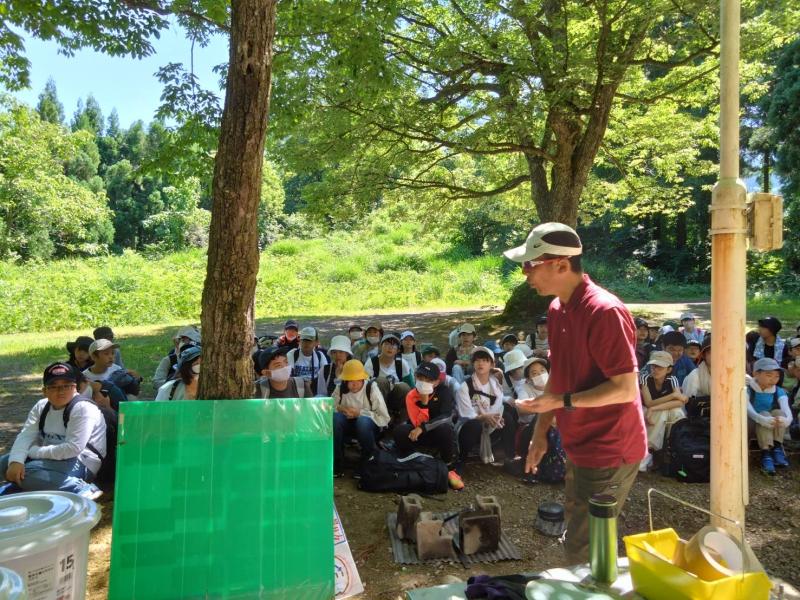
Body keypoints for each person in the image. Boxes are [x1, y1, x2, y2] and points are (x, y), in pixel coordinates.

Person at [504, 222, 646, 565]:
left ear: (561, 265)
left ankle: (594, 585)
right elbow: (560, 375)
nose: (525, 273)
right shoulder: (557, 309)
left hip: (610, 446)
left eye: (530, 264)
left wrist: (562, 402)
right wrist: (540, 432)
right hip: (578, 442)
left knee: (586, 547)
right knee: (581, 529)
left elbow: (625, 389)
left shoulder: (605, 311)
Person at [1, 363, 105, 499]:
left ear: (75, 387)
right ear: (44, 391)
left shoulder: (83, 408)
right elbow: (26, 435)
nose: (61, 391)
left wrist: (34, 452)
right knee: (5, 464)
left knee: (27, 472)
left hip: (81, 461)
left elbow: (73, 448)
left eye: (66, 386)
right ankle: (32, 484)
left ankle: (80, 487)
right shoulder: (41, 406)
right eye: (54, 387)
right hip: (49, 458)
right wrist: (16, 461)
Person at [392, 362, 463, 490]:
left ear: (436, 382)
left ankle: (449, 467)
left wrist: (423, 427)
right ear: (415, 377)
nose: (423, 382)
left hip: (438, 433)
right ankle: (414, 460)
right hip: (419, 433)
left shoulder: (444, 391)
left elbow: (446, 417)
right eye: (420, 378)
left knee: (445, 428)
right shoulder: (411, 395)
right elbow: (416, 422)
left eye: (428, 380)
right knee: (400, 431)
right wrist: (424, 404)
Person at [454, 346, 517, 466]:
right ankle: (461, 459)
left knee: (507, 417)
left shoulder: (495, 384)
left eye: (485, 360)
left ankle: (510, 456)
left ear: (492, 364)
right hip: (469, 428)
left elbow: (498, 406)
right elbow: (466, 414)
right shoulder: (465, 387)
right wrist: (484, 417)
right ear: (473, 364)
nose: (480, 363)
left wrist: (496, 417)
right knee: (475, 424)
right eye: (477, 360)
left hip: (490, 426)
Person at [332, 359, 390, 477]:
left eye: (358, 380)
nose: (354, 384)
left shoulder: (371, 388)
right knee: (335, 419)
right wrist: (341, 408)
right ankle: (337, 461)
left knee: (362, 422)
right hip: (347, 425)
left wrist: (360, 413)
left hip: (368, 427)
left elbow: (384, 417)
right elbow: (329, 407)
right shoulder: (340, 388)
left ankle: (366, 461)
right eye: (350, 381)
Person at [639, 351, 687, 471]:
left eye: (660, 367)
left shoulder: (672, 379)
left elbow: (680, 402)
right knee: (663, 413)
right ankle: (651, 450)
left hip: (655, 411)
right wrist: (672, 396)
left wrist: (654, 408)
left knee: (676, 412)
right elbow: (648, 402)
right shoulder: (645, 378)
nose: (655, 370)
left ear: (669, 369)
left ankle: (671, 449)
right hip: (645, 411)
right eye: (653, 366)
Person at [747, 358, 792, 475]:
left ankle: (777, 447)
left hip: (771, 424)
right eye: (769, 375)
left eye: (777, 376)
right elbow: (748, 409)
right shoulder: (748, 389)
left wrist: (786, 420)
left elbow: (787, 410)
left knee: (779, 413)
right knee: (764, 414)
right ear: (756, 374)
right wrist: (761, 419)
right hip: (752, 423)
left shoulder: (778, 391)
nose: (773, 380)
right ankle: (765, 452)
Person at [364, 333, 415, 420]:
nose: (390, 347)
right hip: (376, 399)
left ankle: (399, 416)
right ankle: (380, 415)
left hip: (396, 399)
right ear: (380, 347)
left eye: (394, 345)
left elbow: (410, 386)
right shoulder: (371, 363)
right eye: (387, 344)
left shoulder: (402, 363)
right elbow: (365, 385)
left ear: (398, 350)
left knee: (403, 386)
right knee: (381, 381)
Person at [83, 339, 142, 405]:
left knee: (131, 398)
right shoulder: (85, 376)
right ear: (94, 357)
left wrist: (136, 378)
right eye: (106, 354)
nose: (111, 357)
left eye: (112, 353)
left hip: (117, 403)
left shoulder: (116, 369)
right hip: (97, 405)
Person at [153, 326, 202, 391]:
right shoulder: (169, 360)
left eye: (190, 340)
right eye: (182, 340)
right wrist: (174, 381)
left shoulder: (203, 360)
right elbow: (157, 382)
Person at [682, 335, 712, 406]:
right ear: (704, 355)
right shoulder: (695, 376)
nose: (717, 355)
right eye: (711, 352)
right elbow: (690, 400)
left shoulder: (729, 374)